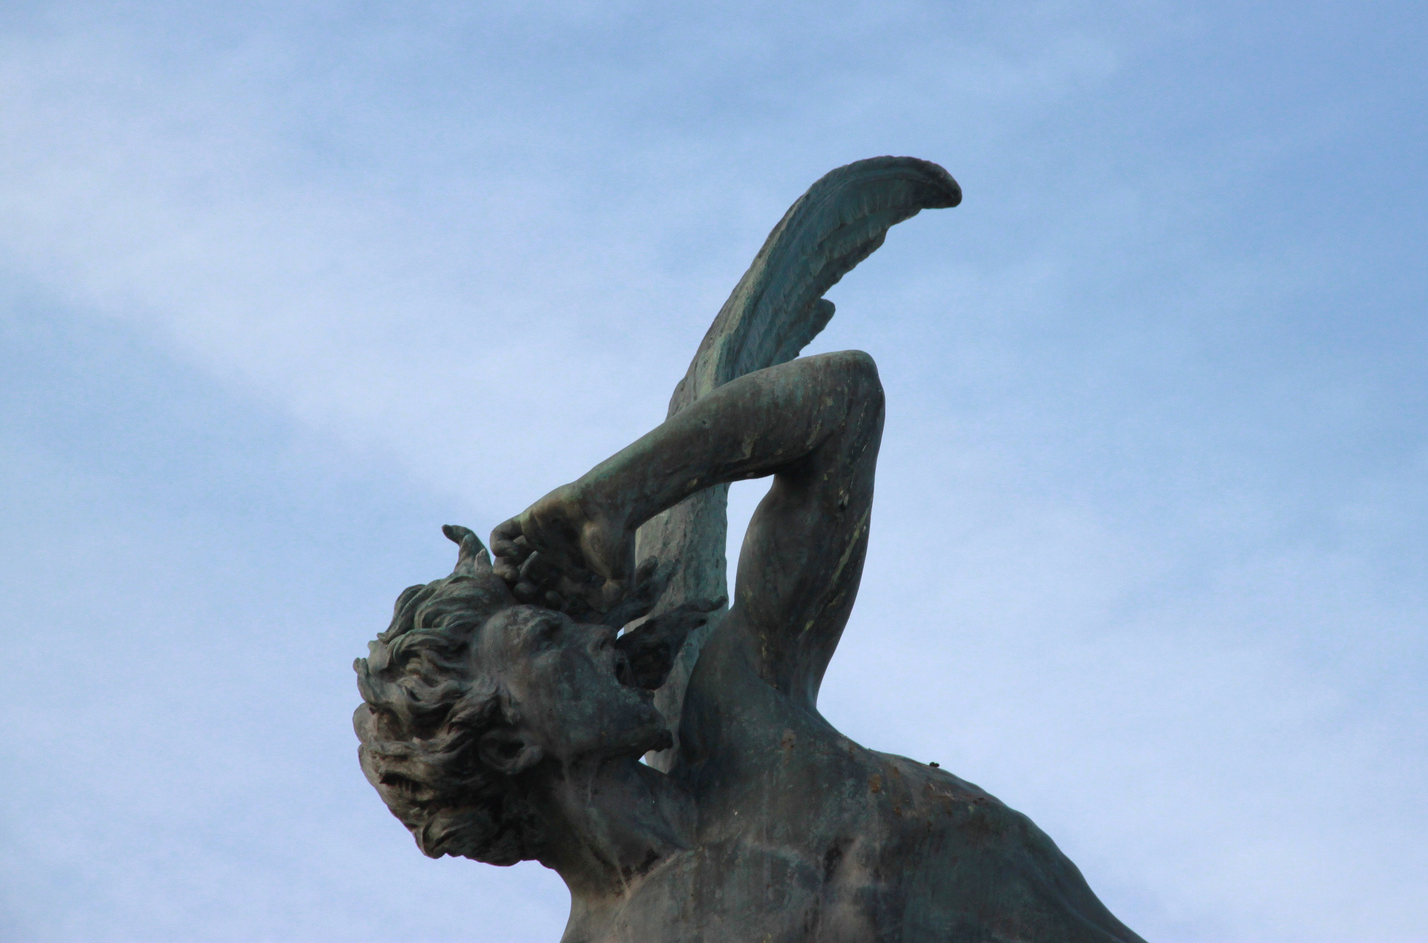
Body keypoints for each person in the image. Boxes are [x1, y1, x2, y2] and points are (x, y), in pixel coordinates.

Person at [356, 348, 1146, 942]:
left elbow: (843, 401)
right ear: (500, 744)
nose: (596, 640)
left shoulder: (741, 709)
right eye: (542, 638)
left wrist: (614, 499)